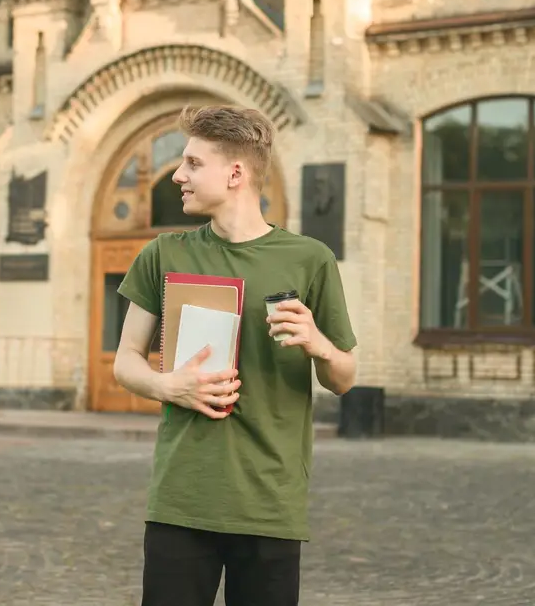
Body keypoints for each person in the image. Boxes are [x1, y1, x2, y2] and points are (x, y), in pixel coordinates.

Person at [113, 104, 358, 606]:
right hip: (182, 498)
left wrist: (320, 344)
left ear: (236, 173)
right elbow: (125, 359)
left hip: (268, 501)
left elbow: (345, 378)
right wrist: (166, 385)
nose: (178, 175)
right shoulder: (164, 254)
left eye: (193, 164)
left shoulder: (310, 259)